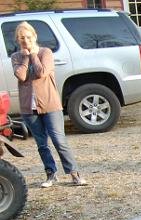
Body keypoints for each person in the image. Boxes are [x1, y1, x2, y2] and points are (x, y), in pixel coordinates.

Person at [11, 22, 86, 188]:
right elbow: (22, 76)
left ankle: (74, 173)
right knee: (42, 144)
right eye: (21, 38)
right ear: (17, 39)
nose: (25, 41)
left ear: (35, 36)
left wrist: (33, 55)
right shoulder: (16, 57)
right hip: (28, 108)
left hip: (50, 105)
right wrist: (25, 57)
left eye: (28, 37)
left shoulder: (46, 52)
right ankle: (51, 173)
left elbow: (41, 72)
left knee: (59, 140)